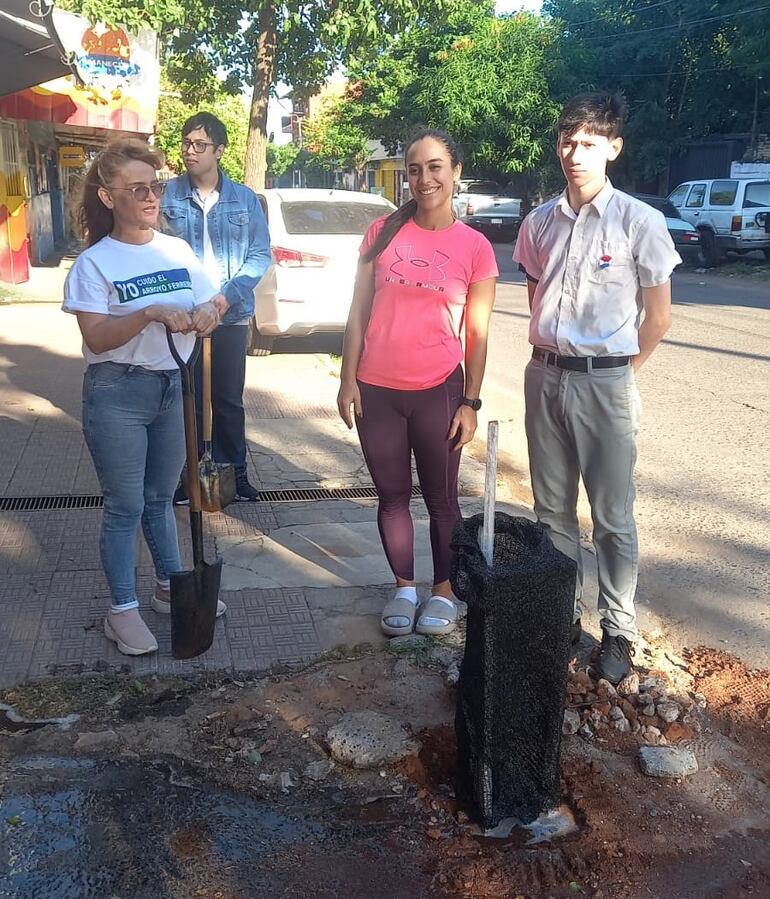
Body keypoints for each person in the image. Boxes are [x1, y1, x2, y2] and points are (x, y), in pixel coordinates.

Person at [513, 93, 680, 683]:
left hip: (606, 382)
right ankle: (562, 618)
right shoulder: (539, 222)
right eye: (568, 141)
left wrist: (620, 374)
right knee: (551, 510)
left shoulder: (639, 221)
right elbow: (537, 296)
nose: (575, 153)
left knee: (611, 516)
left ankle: (618, 631)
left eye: (588, 142)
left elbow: (658, 317)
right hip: (544, 376)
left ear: (613, 148)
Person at [62, 138, 227, 656]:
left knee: (161, 497)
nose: (151, 196)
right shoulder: (94, 264)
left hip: (173, 387)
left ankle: (168, 585)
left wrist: (210, 313)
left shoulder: (176, 250)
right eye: (137, 189)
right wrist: (150, 312)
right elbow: (97, 338)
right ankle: (122, 609)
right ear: (108, 197)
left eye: (155, 186)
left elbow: (213, 299)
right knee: (125, 504)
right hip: (117, 392)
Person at [337, 128, 498, 638]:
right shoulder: (380, 232)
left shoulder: (475, 247)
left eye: (434, 167)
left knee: (442, 500)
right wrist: (347, 380)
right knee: (391, 496)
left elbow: (477, 332)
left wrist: (470, 402)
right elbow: (357, 311)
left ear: (455, 171)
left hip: (439, 391)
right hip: (377, 390)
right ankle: (404, 588)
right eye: (414, 169)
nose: (424, 178)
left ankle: (444, 592)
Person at [161, 112, 271, 503]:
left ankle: (233, 474)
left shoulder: (243, 199)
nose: (190, 151)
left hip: (231, 313)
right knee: (188, 398)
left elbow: (259, 255)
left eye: (200, 145)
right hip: (184, 316)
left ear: (219, 150)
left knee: (227, 400)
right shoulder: (167, 196)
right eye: (186, 143)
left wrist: (224, 299)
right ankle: (188, 475)